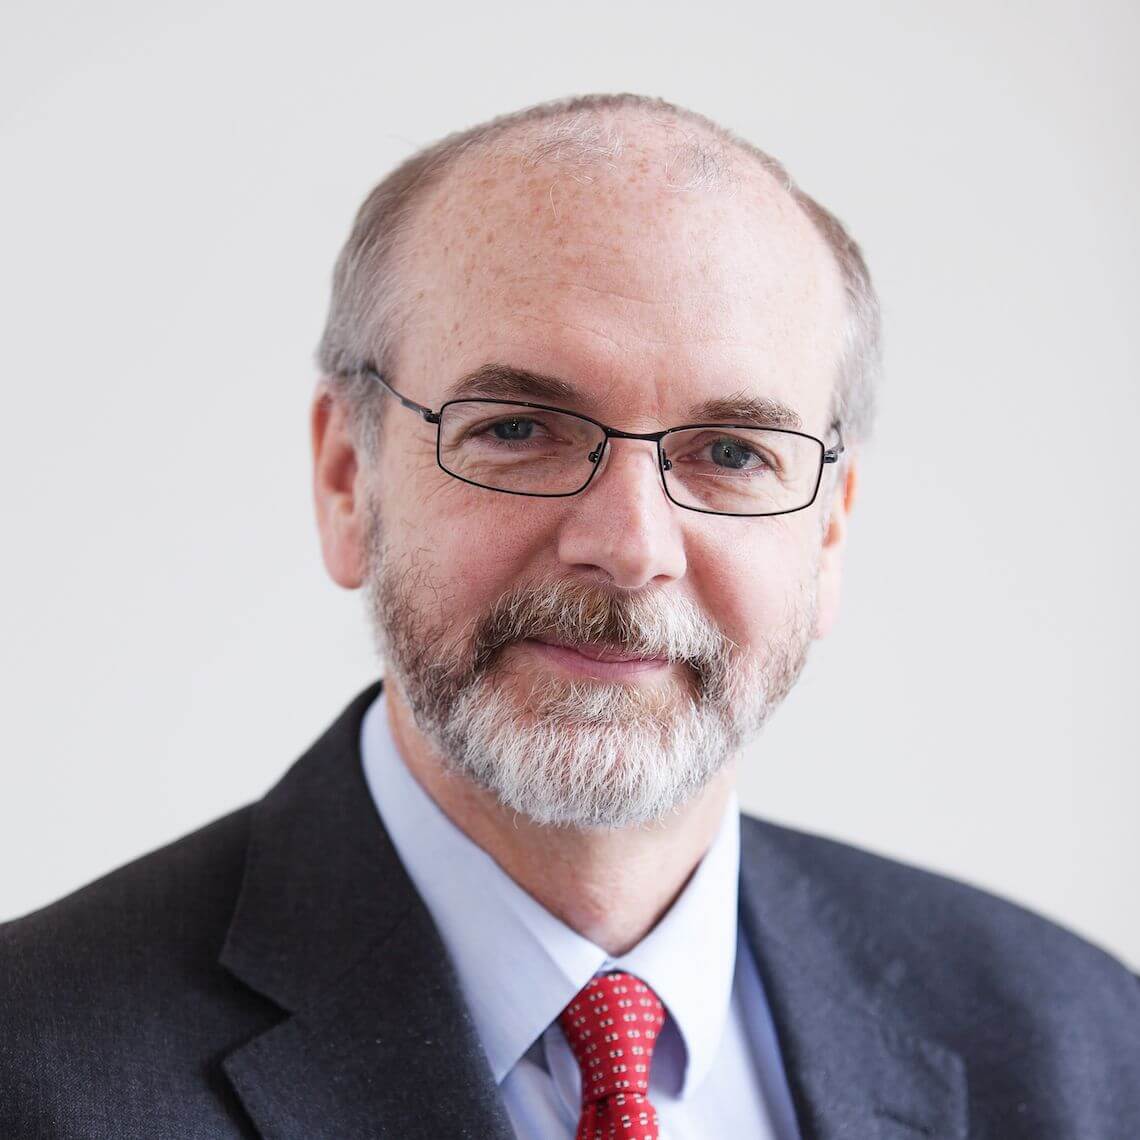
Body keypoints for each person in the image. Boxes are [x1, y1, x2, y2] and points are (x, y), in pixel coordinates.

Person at [1, 93, 1137, 1140]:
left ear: (829, 534)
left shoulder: (1080, 1049)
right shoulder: (34, 1067)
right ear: (349, 479)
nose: (631, 547)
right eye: (517, 430)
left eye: (732, 452)